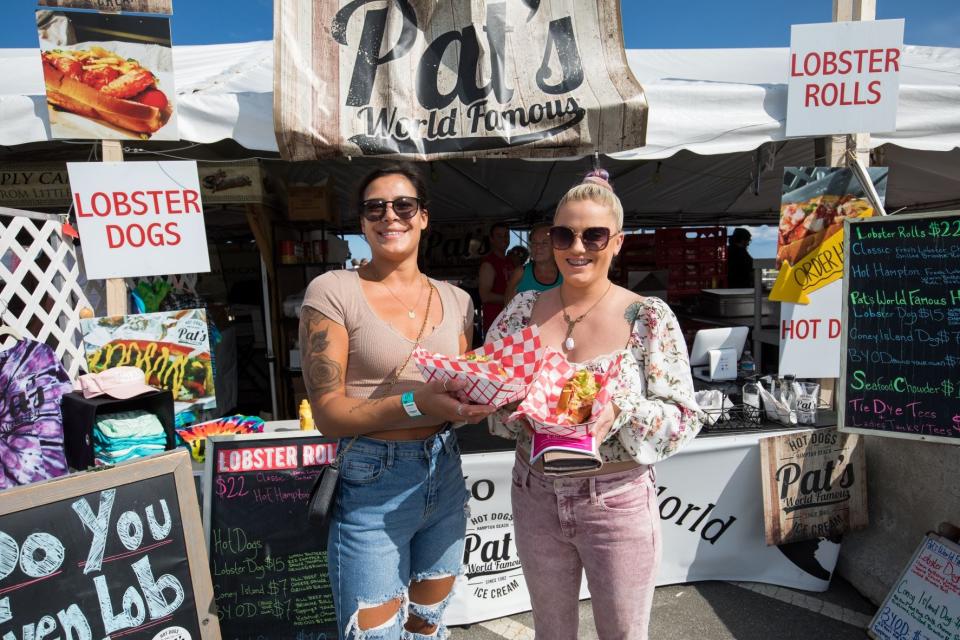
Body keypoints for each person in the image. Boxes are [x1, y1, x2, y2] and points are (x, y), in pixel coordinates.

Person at [485, 169, 705, 640]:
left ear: (618, 242)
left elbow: (682, 418)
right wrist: (506, 402)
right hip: (535, 493)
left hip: (617, 500)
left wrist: (619, 409)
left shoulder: (647, 317)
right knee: (552, 632)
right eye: (564, 234)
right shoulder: (522, 312)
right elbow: (492, 398)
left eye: (594, 235)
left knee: (624, 634)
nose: (577, 247)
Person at [299, 164, 497, 640]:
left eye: (403, 205)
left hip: (444, 474)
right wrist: (417, 403)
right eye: (375, 207)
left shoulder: (457, 300)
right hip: (370, 483)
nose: (390, 216)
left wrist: (494, 396)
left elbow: (463, 382)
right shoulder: (332, 292)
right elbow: (328, 416)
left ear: (424, 217)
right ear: (363, 222)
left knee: (426, 624)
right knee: (376, 634)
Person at [504, 222, 562, 302]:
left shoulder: (565, 274)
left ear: (555, 246)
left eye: (544, 243)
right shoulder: (520, 273)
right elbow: (507, 310)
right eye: (534, 242)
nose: (537, 246)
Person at [477, 221, 514, 336]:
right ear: (492, 239)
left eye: (506, 235)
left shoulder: (510, 261)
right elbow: (485, 296)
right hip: (495, 323)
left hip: (510, 320)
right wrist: (512, 299)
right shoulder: (488, 264)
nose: (504, 239)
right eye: (499, 236)